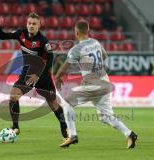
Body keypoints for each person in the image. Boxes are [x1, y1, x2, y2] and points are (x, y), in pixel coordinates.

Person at [55, 20, 137, 148]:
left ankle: (72, 136)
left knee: (67, 103)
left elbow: (65, 66)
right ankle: (130, 134)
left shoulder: (76, 49)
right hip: (105, 80)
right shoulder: (96, 42)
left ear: (76, 32)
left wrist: (57, 77)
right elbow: (104, 56)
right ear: (87, 31)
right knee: (105, 117)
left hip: (93, 84)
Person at [0, 13, 68, 139]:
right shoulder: (21, 34)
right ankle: (15, 127)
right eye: (29, 23)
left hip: (42, 74)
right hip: (27, 72)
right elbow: (3, 36)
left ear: (39, 26)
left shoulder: (43, 41)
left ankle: (64, 125)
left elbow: (49, 60)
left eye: (34, 24)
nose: (31, 26)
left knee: (53, 103)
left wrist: (38, 75)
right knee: (13, 95)